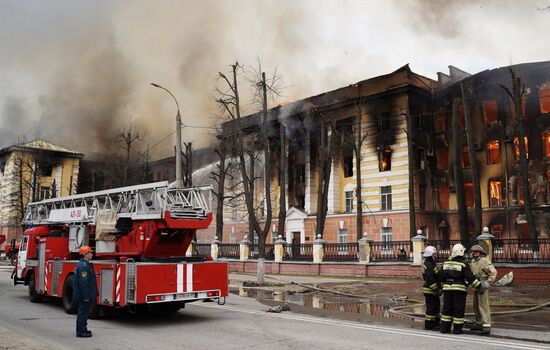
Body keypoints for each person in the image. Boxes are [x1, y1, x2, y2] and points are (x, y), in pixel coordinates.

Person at [439, 243, 483, 334]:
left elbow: (441, 277)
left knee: (447, 309)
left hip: (447, 290)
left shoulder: (446, 263)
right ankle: (457, 330)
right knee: (458, 309)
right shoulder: (463, 264)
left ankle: (444, 329)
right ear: (461, 252)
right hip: (459, 291)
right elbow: (470, 277)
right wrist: (479, 286)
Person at [469, 244, 497, 335]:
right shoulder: (473, 261)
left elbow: (493, 272)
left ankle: (486, 325)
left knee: (483, 305)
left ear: (480, 253)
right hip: (476, 285)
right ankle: (479, 323)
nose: (474, 253)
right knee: (476, 305)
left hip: (483, 285)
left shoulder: (484, 261)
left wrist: (487, 282)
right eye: (473, 252)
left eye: (476, 251)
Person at [74, 246, 98, 338]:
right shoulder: (84, 266)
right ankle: (81, 331)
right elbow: (83, 283)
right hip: (84, 295)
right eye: (90, 252)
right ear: (85, 254)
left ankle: (82, 329)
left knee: (84, 312)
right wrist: (86, 297)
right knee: (83, 313)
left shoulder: (85, 264)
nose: (92, 254)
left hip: (84, 295)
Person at [421, 245, 441, 330]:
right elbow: (430, 279)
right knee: (431, 308)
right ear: (430, 254)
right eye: (434, 254)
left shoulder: (430, 263)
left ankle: (435, 323)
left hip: (432, 290)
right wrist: (435, 289)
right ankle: (429, 325)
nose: (435, 256)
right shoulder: (429, 265)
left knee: (436, 307)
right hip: (430, 291)